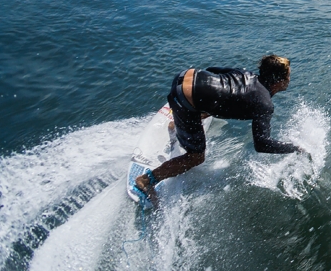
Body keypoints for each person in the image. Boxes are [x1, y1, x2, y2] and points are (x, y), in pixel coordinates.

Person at [132, 55, 307, 207]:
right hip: (183, 99)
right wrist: (295, 148)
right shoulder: (264, 104)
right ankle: (146, 181)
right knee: (196, 157)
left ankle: (178, 124)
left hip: (186, 76)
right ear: (279, 80)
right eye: (288, 76)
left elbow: (212, 70)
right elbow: (261, 144)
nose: (290, 79)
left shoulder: (246, 74)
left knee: (223, 99)